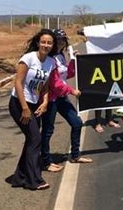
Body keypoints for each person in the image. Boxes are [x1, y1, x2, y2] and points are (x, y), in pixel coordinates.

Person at [6, 29, 56, 191]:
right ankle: (33, 180)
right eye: (43, 42)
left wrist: (45, 102)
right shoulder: (28, 58)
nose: (46, 45)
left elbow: (45, 86)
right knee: (35, 139)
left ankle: (19, 177)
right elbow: (18, 83)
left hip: (35, 104)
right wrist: (25, 108)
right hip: (19, 104)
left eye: (49, 43)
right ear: (37, 42)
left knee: (32, 139)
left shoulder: (50, 62)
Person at [41, 29, 92, 170]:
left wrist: (74, 60)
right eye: (58, 40)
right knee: (48, 130)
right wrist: (72, 91)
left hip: (61, 98)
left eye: (63, 40)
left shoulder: (61, 56)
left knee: (76, 123)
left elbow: (68, 74)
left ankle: (75, 155)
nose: (61, 42)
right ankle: (45, 161)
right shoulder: (49, 59)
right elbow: (55, 84)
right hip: (50, 99)